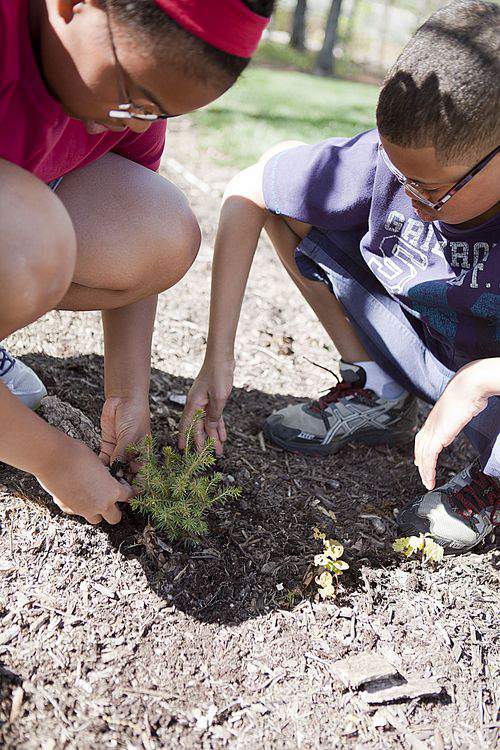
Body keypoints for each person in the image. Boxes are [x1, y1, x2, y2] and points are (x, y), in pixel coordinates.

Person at [180, 0, 499, 554]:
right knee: (287, 183)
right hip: (429, 354)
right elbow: (247, 190)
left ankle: (491, 484)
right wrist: (219, 355)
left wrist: (482, 378)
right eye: (400, 177)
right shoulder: (394, 168)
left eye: (432, 190)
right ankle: (378, 387)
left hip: (489, 389)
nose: (411, 198)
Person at [0, 0, 272, 525]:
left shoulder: (126, 101)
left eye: (157, 113)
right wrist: (51, 458)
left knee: (162, 231)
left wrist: (127, 396)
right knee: (29, 243)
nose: (129, 124)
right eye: (133, 101)